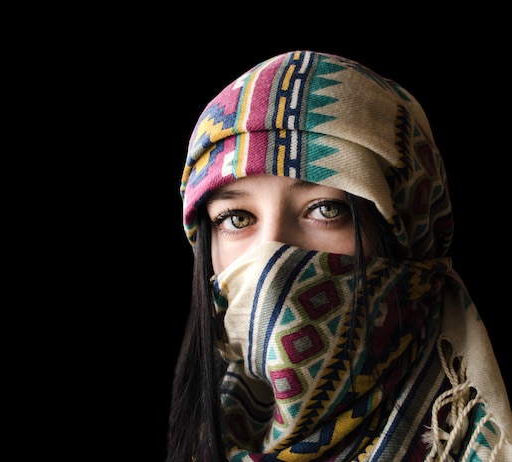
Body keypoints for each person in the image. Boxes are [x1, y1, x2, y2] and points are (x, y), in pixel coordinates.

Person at [165, 50, 512, 461]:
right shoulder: (216, 429)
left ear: (406, 234)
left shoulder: (461, 432)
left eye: (326, 210)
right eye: (237, 217)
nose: (273, 252)